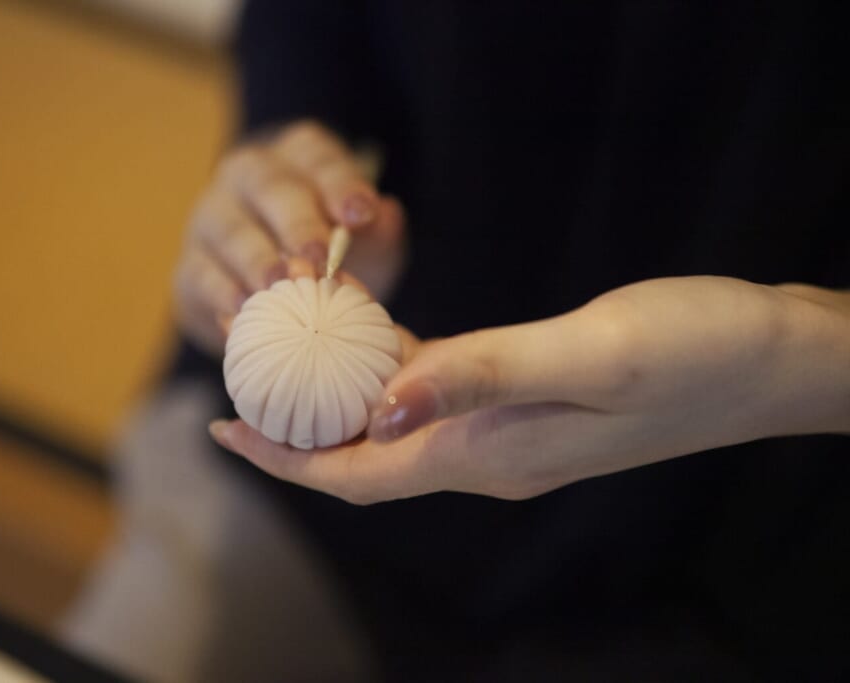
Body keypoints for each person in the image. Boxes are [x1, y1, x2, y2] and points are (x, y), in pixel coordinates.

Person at [79, 3, 850, 681]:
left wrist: (794, 353)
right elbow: (306, 30)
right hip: (299, 503)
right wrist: (289, 164)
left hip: (734, 549)